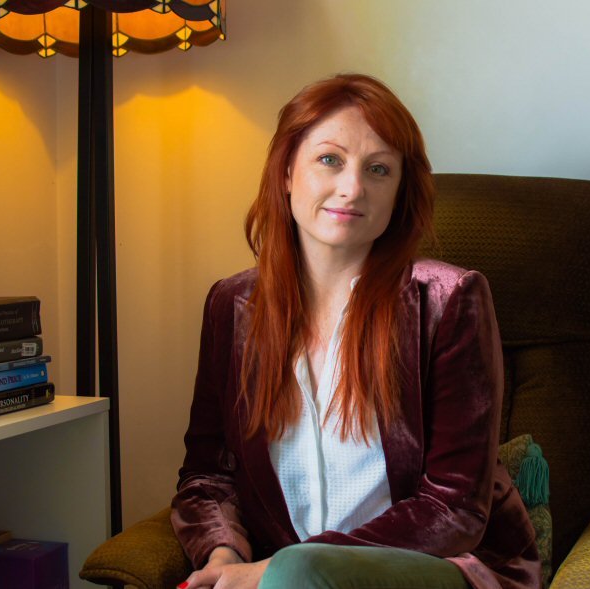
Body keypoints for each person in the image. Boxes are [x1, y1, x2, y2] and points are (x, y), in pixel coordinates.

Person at [171, 73, 540, 589]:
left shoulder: (449, 300)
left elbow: (454, 506)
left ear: (398, 192)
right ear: (285, 172)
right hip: (276, 579)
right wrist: (222, 556)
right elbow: (208, 475)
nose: (352, 187)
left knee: (298, 572)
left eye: (379, 169)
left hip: (441, 569)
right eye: (330, 159)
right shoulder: (231, 306)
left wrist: (275, 571)